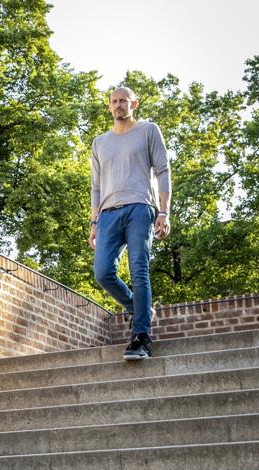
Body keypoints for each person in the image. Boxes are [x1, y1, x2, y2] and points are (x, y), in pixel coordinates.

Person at [89, 86, 171, 360]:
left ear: (133, 103)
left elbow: (162, 170)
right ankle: (141, 309)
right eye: (114, 101)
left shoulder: (148, 130)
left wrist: (164, 212)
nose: (119, 105)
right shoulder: (100, 142)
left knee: (139, 269)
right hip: (108, 213)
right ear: (109, 107)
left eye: (123, 100)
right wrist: (93, 222)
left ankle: (141, 336)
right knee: (102, 272)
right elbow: (96, 187)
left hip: (140, 207)